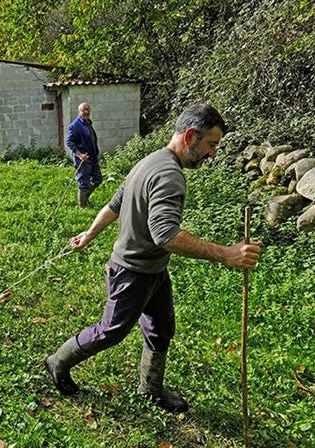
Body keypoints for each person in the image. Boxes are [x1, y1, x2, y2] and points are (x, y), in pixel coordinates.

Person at [45, 103, 262, 413]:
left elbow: (115, 203)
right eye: (211, 145)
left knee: (161, 325)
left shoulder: (150, 161)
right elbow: (167, 235)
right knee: (111, 331)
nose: (212, 154)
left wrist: (90, 234)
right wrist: (226, 254)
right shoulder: (169, 174)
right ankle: (58, 361)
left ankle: (150, 388)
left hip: (154, 269)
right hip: (132, 271)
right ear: (190, 136)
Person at [66, 102, 102, 208]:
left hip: (92, 157)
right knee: (83, 182)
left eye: (88, 109)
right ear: (79, 111)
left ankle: (85, 198)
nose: (86, 112)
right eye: (84, 110)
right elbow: (69, 142)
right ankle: (83, 206)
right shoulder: (75, 125)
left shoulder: (88, 123)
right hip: (83, 159)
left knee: (98, 179)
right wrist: (79, 154)